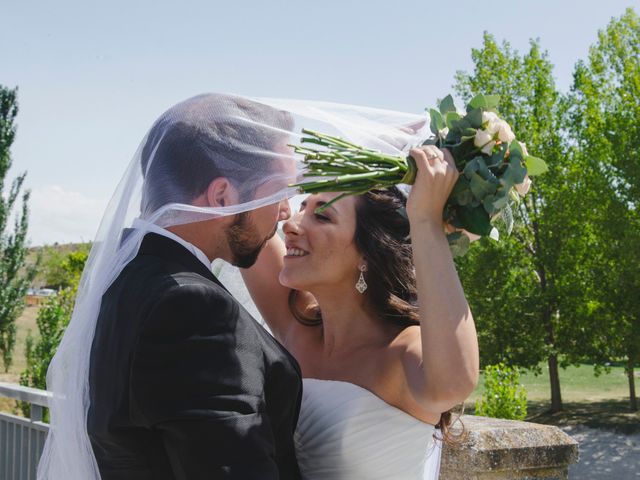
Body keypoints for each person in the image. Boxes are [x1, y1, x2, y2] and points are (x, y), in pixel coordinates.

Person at [38, 94, 304, 480]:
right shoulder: (193, 308)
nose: (285, 212)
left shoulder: (125, 278)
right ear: (222, 196)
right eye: (279, 193)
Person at [241, 145, 480, 479]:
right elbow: (243, 217)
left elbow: (453, 384)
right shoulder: (297, 324)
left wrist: (426, 218)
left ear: (367, 254)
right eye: (301, 207)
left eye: (322, 215)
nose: (292, 224)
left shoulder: (403, 353)